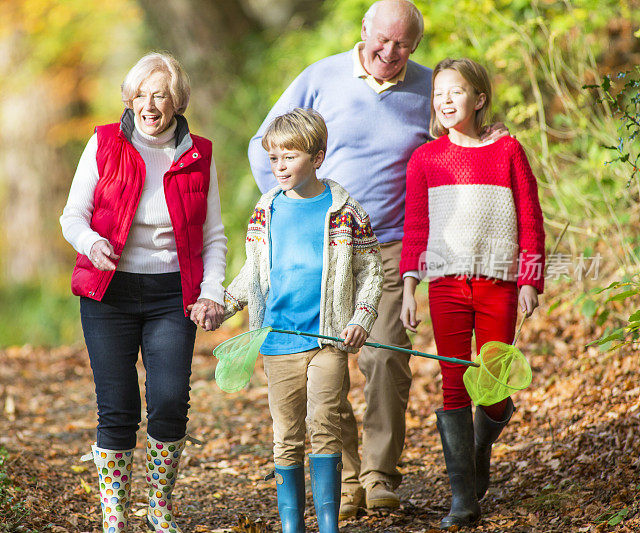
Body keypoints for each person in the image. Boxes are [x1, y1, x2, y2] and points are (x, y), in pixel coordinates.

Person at [248, 0, 509, 517]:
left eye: (403, 44)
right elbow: (264, 143)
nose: (390, 52)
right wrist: (288, 208)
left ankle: (380, 473)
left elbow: (458, 131)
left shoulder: (424, 88)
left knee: (387, 353)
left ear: (415, 45)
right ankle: (345, 475)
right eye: (382, 41)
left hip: (391, 243)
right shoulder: (320, 77)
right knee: (327, 366)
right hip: (324, 242)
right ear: (363, 31)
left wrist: (493, 139)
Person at [59, 52, 228, 533]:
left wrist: (211, 289)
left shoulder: (199, 154)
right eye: (141, 94)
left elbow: (214, 234)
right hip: (108, 290)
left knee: (170, 398)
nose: (149, 105)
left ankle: (159, 507)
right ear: (129, 99)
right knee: (117, 405)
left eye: (160, 94)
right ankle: (115, 515)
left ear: (177, 100)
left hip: (171, 294)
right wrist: (92, 243)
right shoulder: (104, 143)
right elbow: (72, 216)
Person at [400, 57, 545, 529]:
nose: (444, 100)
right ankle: (462, 497)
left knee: (495, 382)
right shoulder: (426, 158)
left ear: (478, 99)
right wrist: (408, 289)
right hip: (445, 284)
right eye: (438, 92)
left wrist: (529, 278)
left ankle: (481, 443)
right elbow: (416, 229)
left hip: (499, 281)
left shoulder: (507, 150)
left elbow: (530, 216)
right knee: (454, 379)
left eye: (456, 91)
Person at [225, 108, 383, 533]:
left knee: (325, 422)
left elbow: (371, 270)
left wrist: (361, 319)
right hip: (278, 342)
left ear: (317, 156)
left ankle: (328, 524)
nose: (279, 167)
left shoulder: (345, 211)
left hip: (328, 340)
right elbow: (253, 273)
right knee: (286, 434)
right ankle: (293, 526)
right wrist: (224, 303)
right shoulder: (265, 210)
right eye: (273, 158)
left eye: (289, 157)